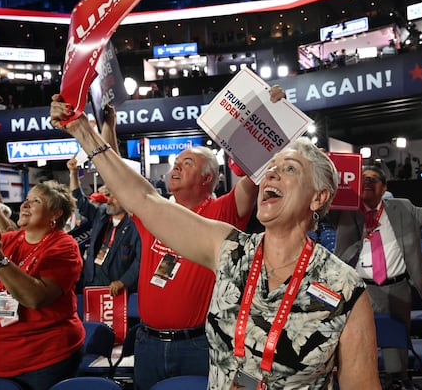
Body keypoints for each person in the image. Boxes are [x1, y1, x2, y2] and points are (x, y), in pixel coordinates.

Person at [51, 96, 382, 390]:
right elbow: (143, 198)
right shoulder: (231, 250)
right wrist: (84, 130)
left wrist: (273, 115)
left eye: (290, 169)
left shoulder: (345, 288)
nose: (271, 175)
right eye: (271, 168)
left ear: (319, 197)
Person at [68, 87, 283, 390]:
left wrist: (271, 115)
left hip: (197, 345)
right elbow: (121, 178)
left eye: (187, 163)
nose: (176, 167)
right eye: (176, 162)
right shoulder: (155, 212)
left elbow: (255, 169)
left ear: (208, 178)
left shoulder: (222, 211)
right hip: (147, 342)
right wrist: (109, 130)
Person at [331, 165, 422, 389]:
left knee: (396, 351)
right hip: (360, 291)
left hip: (397, 287)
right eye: (363, 179)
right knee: (359, 346)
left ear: (384, 188)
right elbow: (318, 206)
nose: (368, 182)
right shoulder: (346, 211)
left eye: (374, 179)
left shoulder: (403, 208)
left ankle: (396, 383)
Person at [0, 180, 84, 390]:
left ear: (56, 214)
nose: (25, 204)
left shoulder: (64, 246)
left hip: (44, 360)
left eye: (36, 201)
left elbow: (35, 298)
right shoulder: (6, 240)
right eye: (26, 199)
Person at [67, 157, 141, 296]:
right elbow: (79, 200)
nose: (110, 200)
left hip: (118, 288)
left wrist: (123, 281)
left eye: (115, 197)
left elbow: (140, 260)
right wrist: (73, 173)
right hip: (93, 282)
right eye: (110, 195)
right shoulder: (102, 214)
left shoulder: (137, 225)